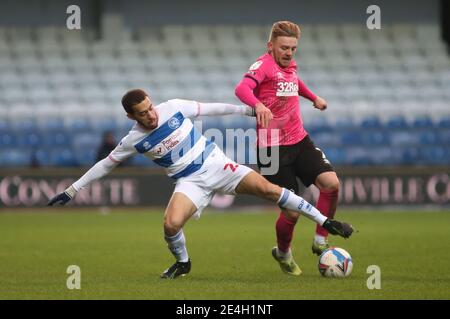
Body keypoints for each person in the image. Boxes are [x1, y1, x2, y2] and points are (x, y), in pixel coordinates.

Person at [47, 89, 353, 279]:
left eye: (150, 107)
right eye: (143, 113)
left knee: (270, 191)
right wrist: (73, 190)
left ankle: (328, 221)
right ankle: (183, 263)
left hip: (217, 165)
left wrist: (248, 110)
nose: (151, 115)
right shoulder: (133, 140)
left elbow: (211, 108)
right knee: (170, 224)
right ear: (131, 116)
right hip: (189, 181)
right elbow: (105, 164)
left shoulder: (173, 108)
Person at [235, 21, 340, 276]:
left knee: (331, 184)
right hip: (271, 149)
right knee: (292, 212)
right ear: (270, 46)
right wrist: (258, 105)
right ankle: (283, 253)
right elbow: (242, 88)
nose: (289, 52)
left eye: (293, 48)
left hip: (299, 140)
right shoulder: (263, 66)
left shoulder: (289, 65)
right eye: (284, 47)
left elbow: (294, 83)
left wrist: (313, 97)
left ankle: (320, 240)